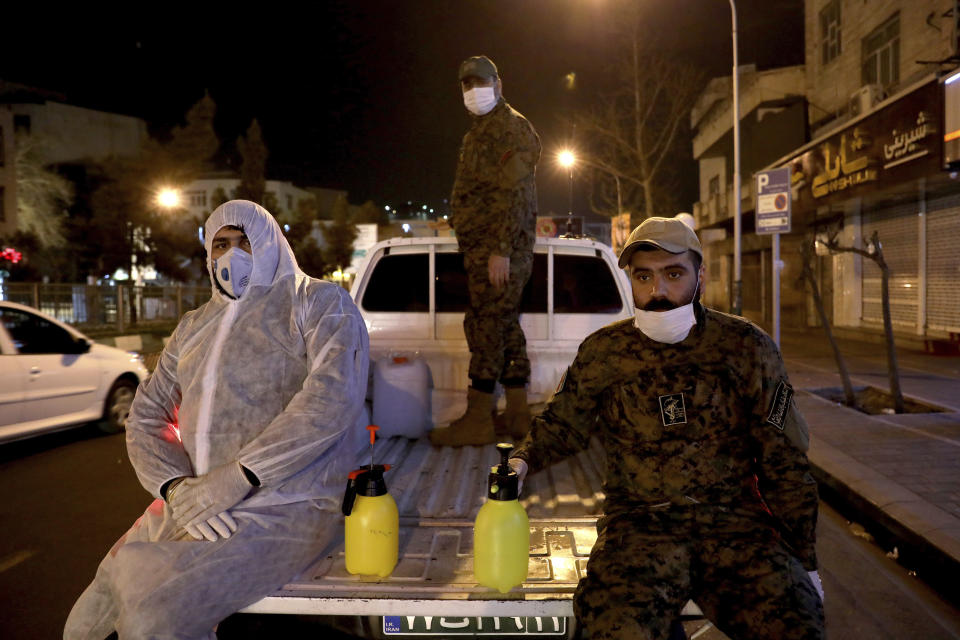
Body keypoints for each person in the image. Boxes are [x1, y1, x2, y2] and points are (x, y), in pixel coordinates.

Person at [64, 200, 369, 639]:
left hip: (285, 506)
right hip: (194, 506)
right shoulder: (193, 326)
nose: (232, 255)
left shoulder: (319, 304)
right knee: (86, 622)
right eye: (220, 245)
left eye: (246, 241)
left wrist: (240, 476)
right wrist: (175, 487)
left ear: (272, 243)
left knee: (155, 616)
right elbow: (146, 416)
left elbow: (332, 399)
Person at [508, 216, 825, 639]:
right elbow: (564, 423)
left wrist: (805, 558)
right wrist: (522, 459)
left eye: (673, 274)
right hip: (639, 529)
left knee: (796, 627)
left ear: (701, 277)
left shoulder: (746, 347)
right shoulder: (605, 351)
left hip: (736, 528)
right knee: (613, 629)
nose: (657, 292)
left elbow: (783, 459)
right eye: (644, 276)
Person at [430, 54, 541, 446]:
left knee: (485, 325)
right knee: (505, 323)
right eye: (466, 84)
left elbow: (515, 195)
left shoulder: (512, 128)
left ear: (498, 84)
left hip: (500, 251)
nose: (473, 90)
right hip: (482, 249)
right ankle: (518, 415)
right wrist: (459, 220)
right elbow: (477, 192)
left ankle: (478, 417)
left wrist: (501, 249)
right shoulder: (478, 133)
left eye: (480, 82)